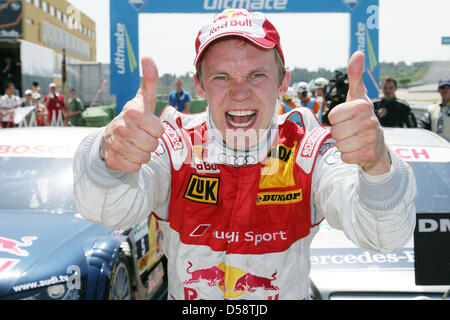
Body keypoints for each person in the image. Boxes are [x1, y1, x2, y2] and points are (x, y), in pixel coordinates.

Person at [73, 9, 416, 300]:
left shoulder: (308, 145)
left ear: (283, 82)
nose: (240, 92)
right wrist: (109, 160)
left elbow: (384, 236)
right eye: (222, 76)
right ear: (200, 85)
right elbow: (106, 210)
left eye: (257, 75)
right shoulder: (174, 141)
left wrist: (377, 166)